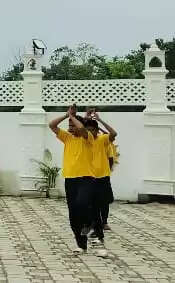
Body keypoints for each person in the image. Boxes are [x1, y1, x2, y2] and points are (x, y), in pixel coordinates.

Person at [49, 104, 97, 255]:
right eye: (69, 126)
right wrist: (66, 115)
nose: (70, 128)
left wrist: (72, 116)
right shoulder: (67, 138)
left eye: (72, 125)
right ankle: (81, 245)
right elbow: (52, 125)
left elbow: (82, 129)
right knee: (73, 215)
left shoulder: (88, 138)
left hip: (86, 178)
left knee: (82, 203)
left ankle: (91, 224)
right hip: (70, 179)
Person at [85, 109, 116, 247]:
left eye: (92, 130)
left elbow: (113, 134)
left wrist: (99, 120)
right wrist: (86, 118)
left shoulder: (103, 140)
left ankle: (104, 222)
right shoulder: (84, 141)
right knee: (91, 204)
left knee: (104, 202)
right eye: (88, 130)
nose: (90, 132)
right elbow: (80, 129)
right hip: (88, 177)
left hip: (103, 176)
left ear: (97, 130)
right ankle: (93, 226)